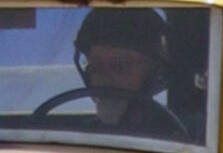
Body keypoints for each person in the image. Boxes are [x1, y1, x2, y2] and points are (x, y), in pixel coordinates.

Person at [70, 9, 189, 140]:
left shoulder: (185, 137)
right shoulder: (79, 139)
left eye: (120, 66)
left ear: (153, 71)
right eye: (97, 66)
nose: (106, 76)